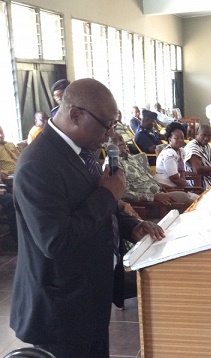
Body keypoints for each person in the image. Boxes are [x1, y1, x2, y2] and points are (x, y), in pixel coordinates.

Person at [10, 78, 164, 358]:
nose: (109, 134)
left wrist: (132, 227)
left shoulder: (82, 151)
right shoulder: (38, 164)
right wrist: (109, 195)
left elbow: (94, 205)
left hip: (88, 296)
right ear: (76, 114)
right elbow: (56, 240)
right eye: (106, 124)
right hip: (59, 309)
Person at [109, 132, 196, 210]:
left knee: (194, 199)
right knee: (187, 200)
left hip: (159, 194)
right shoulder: (113, 164)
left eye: (121, 139)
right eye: (114, 141)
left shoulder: (130, 158)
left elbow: (146, 178)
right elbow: (123, 194)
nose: (120, 143)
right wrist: (153, 197)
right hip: (148, 204)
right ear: (106, 146)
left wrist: (161, 186)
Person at [155, 122, 191, 187]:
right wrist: (189, 188)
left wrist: (185, 184)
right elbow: (174, 178)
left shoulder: (181, 151)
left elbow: (182, 171)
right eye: (176, 138)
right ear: (170, 139)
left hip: (176, 185)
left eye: (182, 138)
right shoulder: (169, 154)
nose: (180, 140)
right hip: (166, 186)